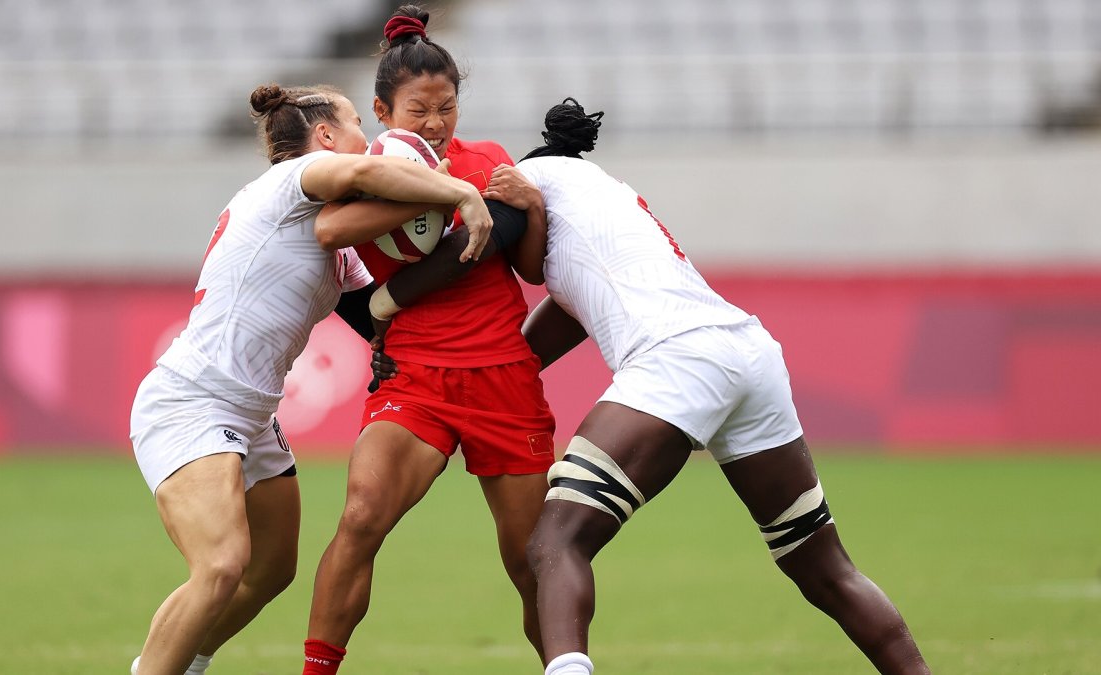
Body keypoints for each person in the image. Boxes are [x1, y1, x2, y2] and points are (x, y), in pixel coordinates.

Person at [486, 98, 931, 675]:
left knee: (555, 542)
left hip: (678, 361)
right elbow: (562, 313)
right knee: (825, 569)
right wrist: (501, 370)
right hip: (748, 353)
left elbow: (513, 251)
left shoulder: (532, 183)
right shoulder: (602, 197)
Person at [127, 82, 494, 675]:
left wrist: (396, 348)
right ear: (325, 138)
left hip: (251, 414)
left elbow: (370, 309)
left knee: (271, 568)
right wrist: (458, 191)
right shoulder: (290, 180)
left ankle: (182, 663)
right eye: (355, 123)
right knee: (221, 565)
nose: (367, 140)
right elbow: (370, 181)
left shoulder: (327, 233)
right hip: (193, 400)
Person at [300, 6, 555, 673]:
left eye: (446, 108)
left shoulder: (491, 161)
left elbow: (530, 269)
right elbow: (332, 232)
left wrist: (528, 205)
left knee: (532, 561)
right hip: (416, 379)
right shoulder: (363, 178)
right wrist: (438, 193)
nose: (436, 123)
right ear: (383, 111)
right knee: (360, 519)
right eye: (419, 111)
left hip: (502, 374)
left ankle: (566, 665)